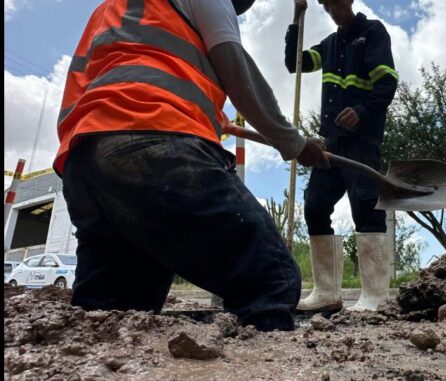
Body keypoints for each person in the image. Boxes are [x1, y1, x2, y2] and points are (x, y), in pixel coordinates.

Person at [53, 0, 329, 332]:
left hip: (85, 161)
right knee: (270, 275)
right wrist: (295, 143)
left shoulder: (110, 10)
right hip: (154, 141)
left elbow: (95, 82)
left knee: (113, 315)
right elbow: (236, 68)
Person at [285, 0, 398, 311]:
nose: (331, 7)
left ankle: (375, 296)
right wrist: (296, 19)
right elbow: (295, 64)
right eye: (325, 4)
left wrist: (362, 111)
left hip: (362, 142)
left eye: (335, 1)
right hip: (329, 145)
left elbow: (387, 83)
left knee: (366, 208)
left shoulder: (372, 32)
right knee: (315, 207)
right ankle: (326, 293)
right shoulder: (329, 45)